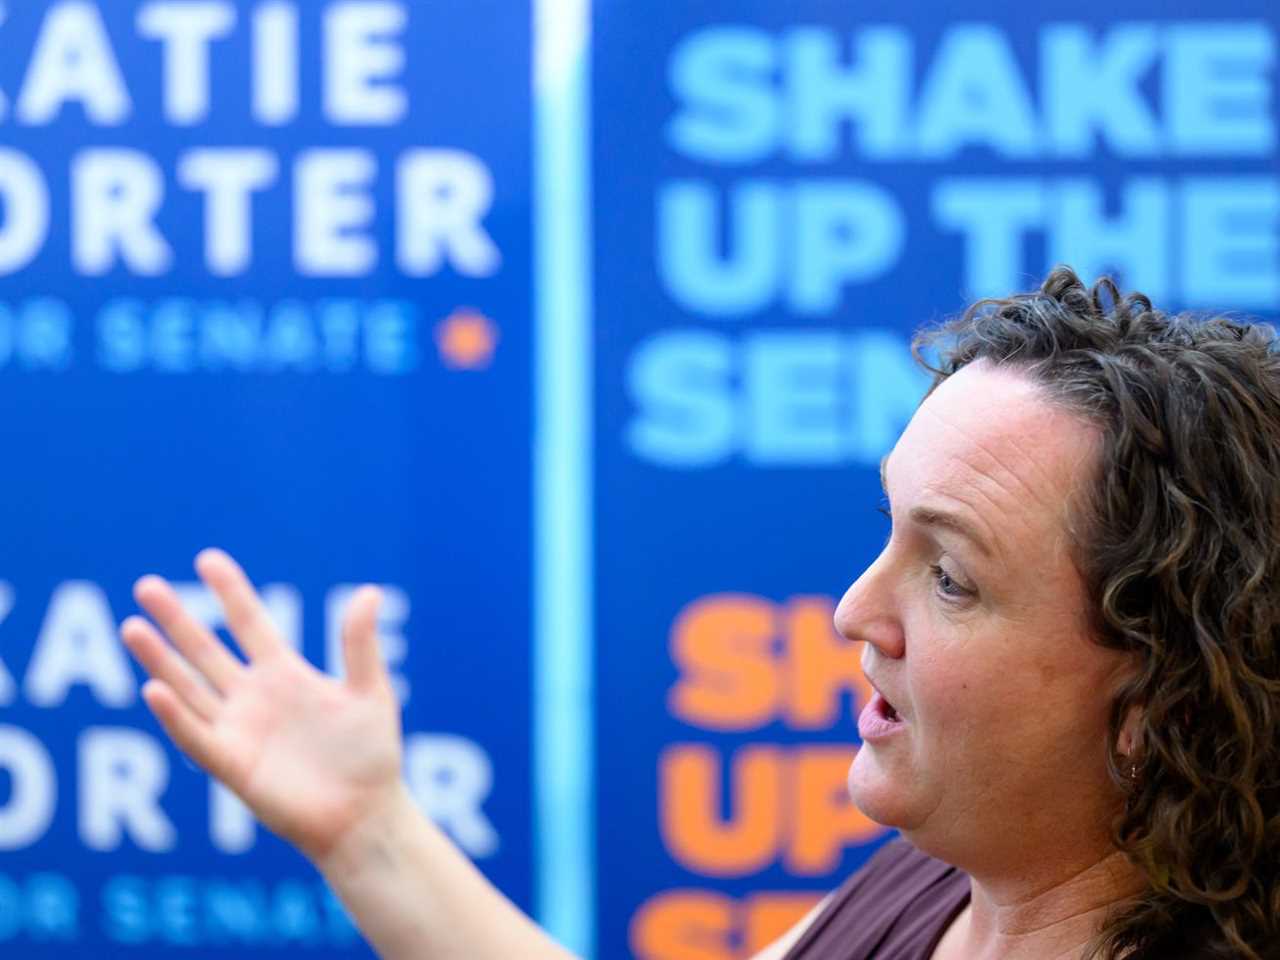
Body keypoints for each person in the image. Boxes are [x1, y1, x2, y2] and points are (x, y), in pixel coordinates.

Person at [121, 266, 1280, 960]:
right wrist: (366, 825)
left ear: (1152, 697)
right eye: (889, 532)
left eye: (950, 578)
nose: (850, 611)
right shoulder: (933, 883)